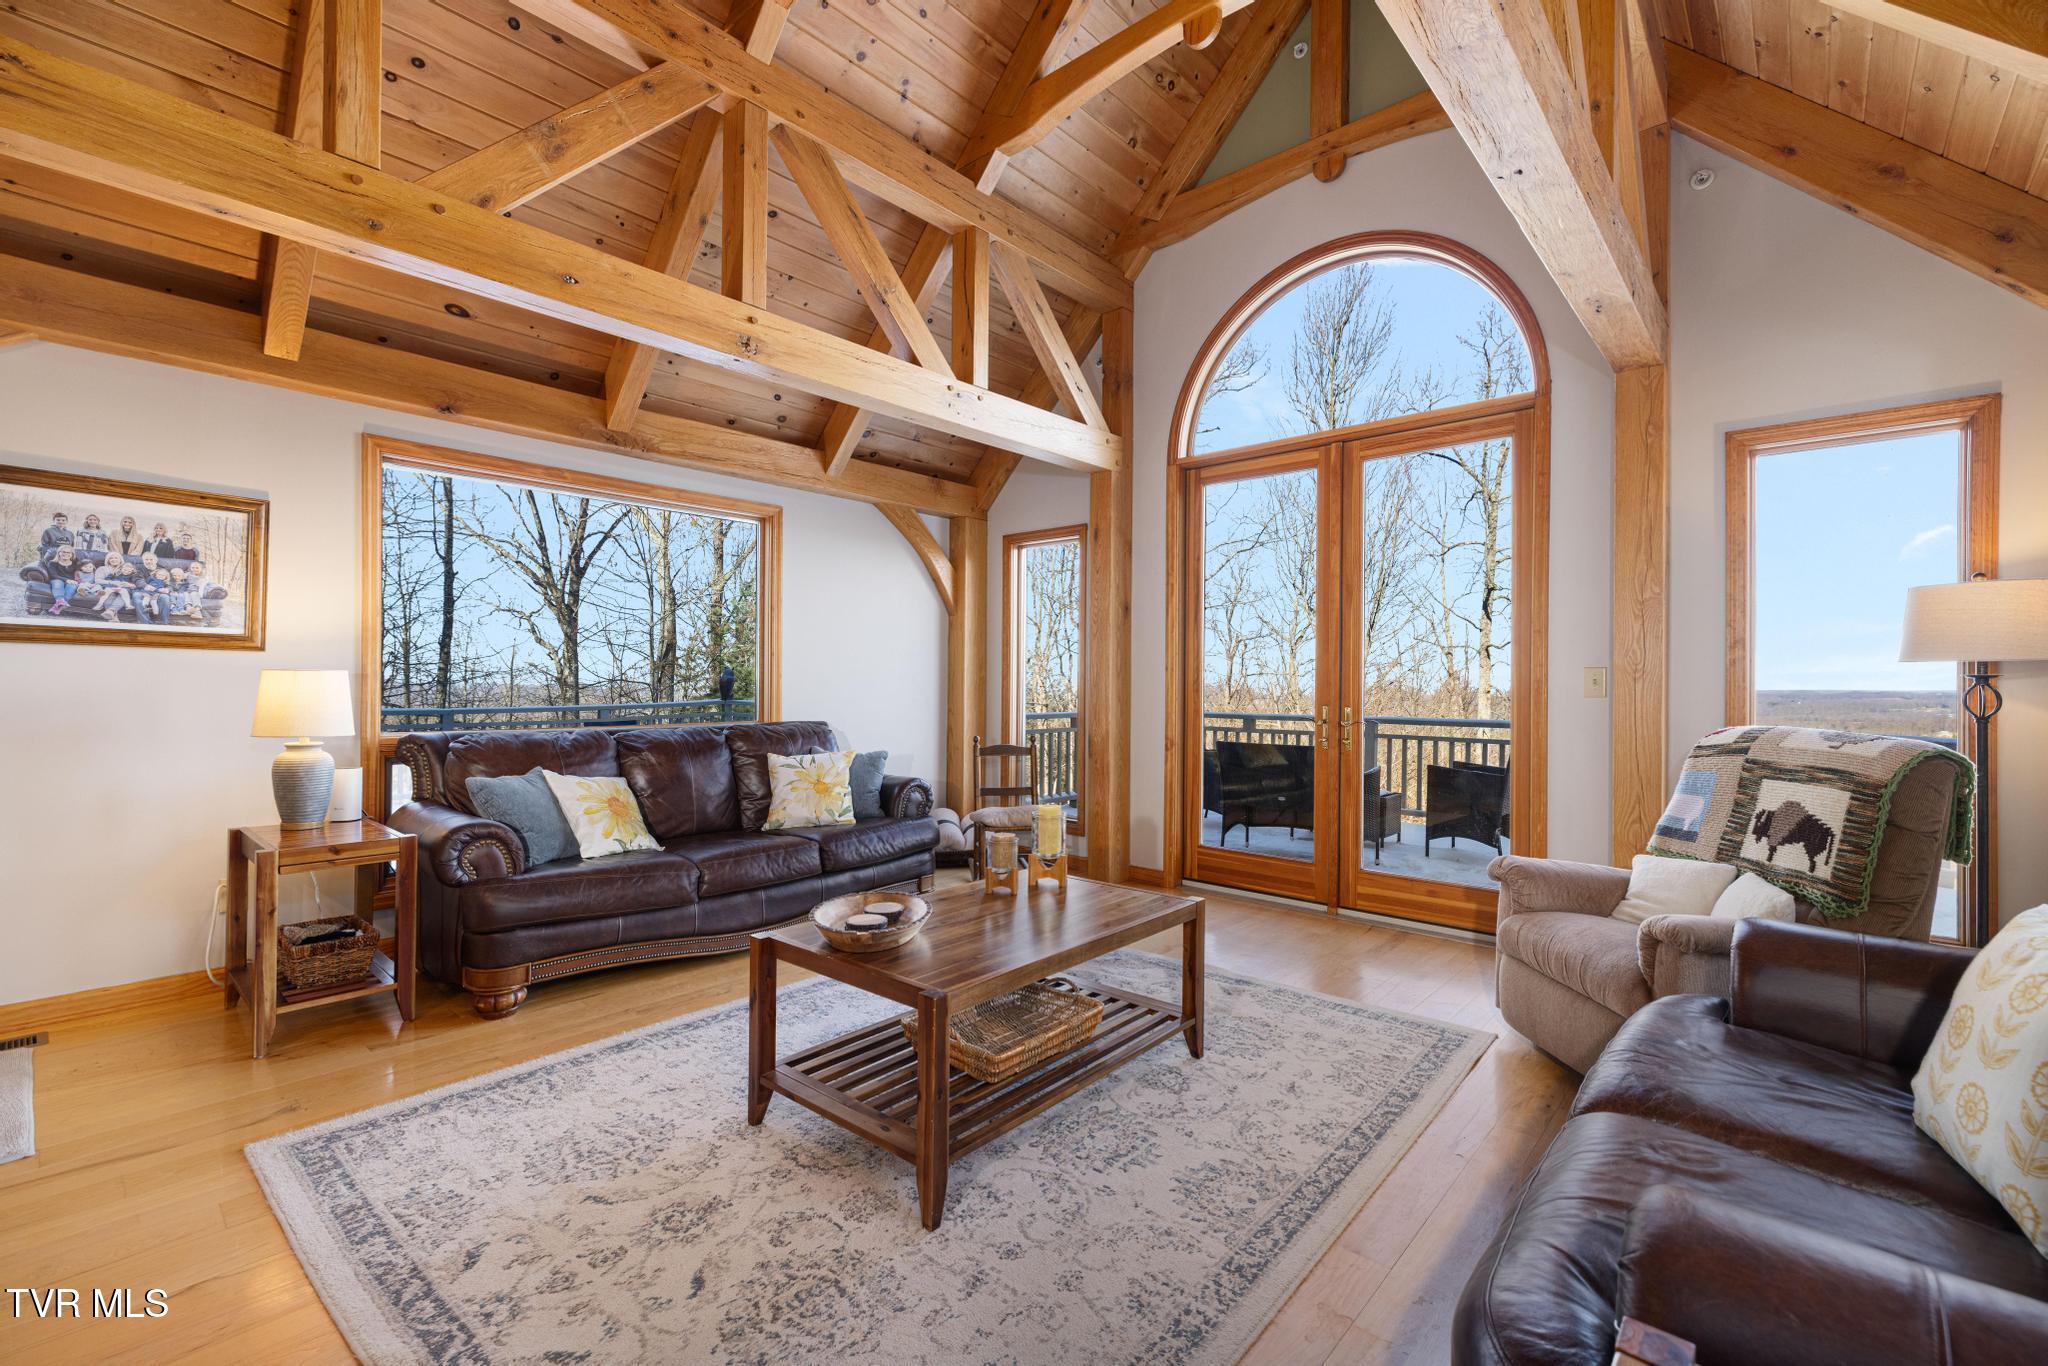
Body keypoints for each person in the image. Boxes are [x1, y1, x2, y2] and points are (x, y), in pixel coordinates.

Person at [93, 552, 135, 621]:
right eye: (111, 558)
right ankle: (113, 617)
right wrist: (113, 582)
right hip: (109, 588)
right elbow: (97, 580)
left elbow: (134, 580)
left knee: (124, 593)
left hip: (124, 589)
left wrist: (129, 584)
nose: (113, 559)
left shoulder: (126, 568)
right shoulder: (102, 568)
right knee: (110, 594)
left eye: (116, 558)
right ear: (108, 560)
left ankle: (110, 612)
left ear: (120, 559)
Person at [43, 545, 81, 614]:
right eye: (63, 552)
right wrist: (66, 580)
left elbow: (80, 572)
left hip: (71, 582)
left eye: (69, 552)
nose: (66, 554)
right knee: (58, 583)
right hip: (57, 580)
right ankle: (60, 600)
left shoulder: (75, 563)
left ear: (72, 554)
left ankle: (57, 607)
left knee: (73, 586)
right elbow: (53, 575)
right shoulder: (52, 563)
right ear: (59, 553)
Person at [135, 553, 170, 626]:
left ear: (156, 560)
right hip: (144, 590)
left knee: (165, 597)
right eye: (146, 560)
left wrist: (167, 589)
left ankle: (164, 622)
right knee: (136, 596)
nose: (149, 561)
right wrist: (145, 585)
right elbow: (137, 579)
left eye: (151, 559)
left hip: (159, 591)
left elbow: (170, 581)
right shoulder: (139, 568)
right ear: (143, 560)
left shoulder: (162, 569)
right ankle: (146, 622)